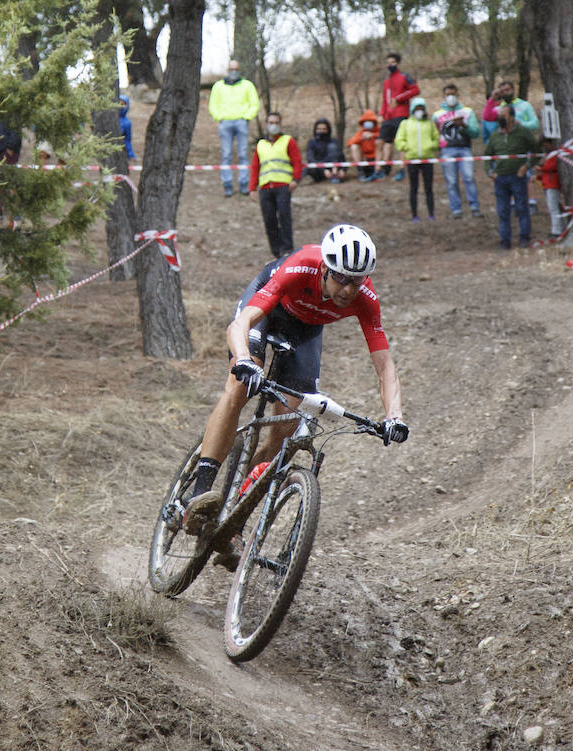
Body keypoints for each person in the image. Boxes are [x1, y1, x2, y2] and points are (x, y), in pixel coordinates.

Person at [178, 225, 408, 543]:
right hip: (269, 310)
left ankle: (236, 509)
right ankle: (199, 493)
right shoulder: (301, 266)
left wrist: (393, 416)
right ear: (326, 268)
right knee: (238, 388)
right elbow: (241, 323)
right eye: (341, 277)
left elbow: (385, 365)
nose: (347, 289)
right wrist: (243, 359)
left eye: (357, 280)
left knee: (289, 425)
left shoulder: (365, 299)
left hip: (305, 332)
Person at [248, 111, 303, 259]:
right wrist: (252, 188)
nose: (273, 126)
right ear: (266, 124)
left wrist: (295, 180)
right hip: (266, 188)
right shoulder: (261, 144)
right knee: (269, 219)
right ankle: (276, 250)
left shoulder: (288, 141)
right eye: (271, 123)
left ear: (280, 124)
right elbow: (255, 167)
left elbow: (297, 161)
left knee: (284, 216)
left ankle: (287, 248)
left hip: (283, 186)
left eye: (276, 123)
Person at [483, 104, 538, 249]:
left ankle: (524, 237)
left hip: (517, 177)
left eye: (504, 115)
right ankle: (505, 240)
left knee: (521, 208)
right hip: (500, 178)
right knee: (503, 211)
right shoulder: (495, 135)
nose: (501, 118)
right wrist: (490, 172)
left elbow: (537, 151)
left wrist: (526, 167)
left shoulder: (522, 132)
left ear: (512, 117)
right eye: (499, 115)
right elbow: (487, 156)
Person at [208, 61, 260, 197]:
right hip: (225, 123)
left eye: (236, 69)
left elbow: (254, 103)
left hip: (241, 122)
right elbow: (213, 104)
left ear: (239, 70)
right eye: (231, 69)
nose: (233, 71)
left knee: (243, 154)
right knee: (226, 155)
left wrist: (246, 117)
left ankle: (244, 184)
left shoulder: (247, 85)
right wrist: (219, 118)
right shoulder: (218, 86)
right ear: (227, 70)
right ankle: (227, 185)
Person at [434, 84, 482, 219]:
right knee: (451, 181)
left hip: (464, 148)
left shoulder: (467, 112)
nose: (451, 97)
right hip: (447, 150)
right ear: (443, 96)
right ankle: (456, 209)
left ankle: (474, 207)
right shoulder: (437, 115)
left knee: (469, 177)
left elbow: (475, 133)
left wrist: (464, 125)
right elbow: (434, 134)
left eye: (453, 94)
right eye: (448, 94)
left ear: (457, 95)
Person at [394, 98, 439, 221]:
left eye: (421, 108)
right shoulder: (405, 123)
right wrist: (406, 147)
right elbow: (399, 140)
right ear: (413, 110)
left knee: (428, 188)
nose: (419, 111)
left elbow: (436, 138)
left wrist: (432, 145)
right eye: (417, 108)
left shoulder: (430, 123)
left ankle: (431, 214)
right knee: (413, 188)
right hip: (412, 160)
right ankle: (414, 215)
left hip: (427, 159)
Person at [378, 53, 420, 181]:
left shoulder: (404, 77)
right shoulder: (386, 81)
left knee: (401, 142)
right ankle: (385, 168)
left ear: (397, 63)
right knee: (384, 142)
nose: (390, 65)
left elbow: (415, 90)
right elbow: (385, 100)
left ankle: (402, 168)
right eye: (388, 62)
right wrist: (381, 114)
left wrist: (399, 98)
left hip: (401, 114)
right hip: (388, 116)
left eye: (393, 62)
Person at [533, 138, 564, 239]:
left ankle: (557, 230)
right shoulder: (549, 157)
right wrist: (538, 176)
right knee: (554, 207)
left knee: (553, 207)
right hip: (547, 184)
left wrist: (541, 168)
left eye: (546, 145)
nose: (545, 148)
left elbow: (551, 168)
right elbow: (546, 172)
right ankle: (559, 227)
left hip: (553, 184)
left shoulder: (555, 155)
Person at [304, 118, 346, 183]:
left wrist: (343, 170)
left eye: (324, 129)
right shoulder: (312, 142)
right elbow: (310, 159)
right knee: (306, 168)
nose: (321, 131)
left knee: (333, 147)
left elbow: (342, 158)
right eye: (319, 129)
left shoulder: (334, 142)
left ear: (328, 130)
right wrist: (323, 170)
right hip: (319, 169)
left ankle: (335, 174)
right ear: (315, 130)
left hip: (333, 167)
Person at [347, 110, 382, 182]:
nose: (368, 123)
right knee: (354, 146)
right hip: (364, 158)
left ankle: (378, 171)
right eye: (366, 121)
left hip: (376, 158)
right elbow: (350, 142)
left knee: (381, 142)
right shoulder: (361, 133)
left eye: (370, 121)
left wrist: (373, 135)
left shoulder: (379, 131)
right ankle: (360, 171)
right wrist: (362, 138)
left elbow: (387, 138)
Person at [118, 94, 136, 161]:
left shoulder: (127, 123)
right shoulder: (109, 118)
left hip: (120, 152)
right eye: (119, 103)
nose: (121, 106)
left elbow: (127, 140)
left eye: (123, 104)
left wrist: (131, 154)